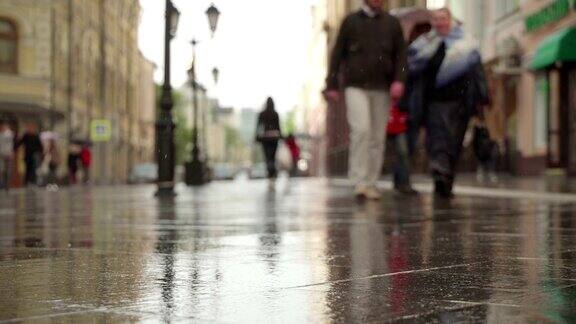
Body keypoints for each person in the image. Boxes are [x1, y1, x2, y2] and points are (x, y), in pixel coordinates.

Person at [324, 0, 407, 200]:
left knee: (377, 136)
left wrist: (399, 80)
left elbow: (401, 56)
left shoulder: (392, 23)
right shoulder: (350, 21)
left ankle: (371, 182)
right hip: (356, 86)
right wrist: (332, 84)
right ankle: (359, 181)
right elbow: (337, 54)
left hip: (382, 87)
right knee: (361, 130)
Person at [406, 8, 490, 198]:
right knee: (437, 138)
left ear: (450, 20)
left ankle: (446, 178)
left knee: (454, 141)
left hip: (461, 102)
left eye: (443, 18)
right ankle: (439, 170)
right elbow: (411, 68)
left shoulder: (467, 43)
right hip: (434, 101)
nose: (439, 22)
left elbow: (478, 72)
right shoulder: (425, 43)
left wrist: (482, 97)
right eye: (436, 19)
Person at [387, 103, 418, 195]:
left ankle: (401, 181)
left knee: (406, 151)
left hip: (410, 116)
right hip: (397, 116)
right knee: (403, 151)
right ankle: (403, 182)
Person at [255, 97, 282, 188]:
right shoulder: (275, 114)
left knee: (267, 157)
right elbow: (278, 127)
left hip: (265, 138)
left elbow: (258, 126)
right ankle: (272, 174)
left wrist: (257, 136)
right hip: (274, 138)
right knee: (273, 157)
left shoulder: (262, 114)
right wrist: (280, 136)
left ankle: (270, 174)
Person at [472, 118, 499, 183]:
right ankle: (481, 172)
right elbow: (475, 137)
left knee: (492, 156)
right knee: (481, 158)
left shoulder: (491, 125)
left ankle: (491, 173)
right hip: (480, 143)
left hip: (490, 142)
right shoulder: (477, 126)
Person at [0, 120, 14, 190]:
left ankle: (7, 186)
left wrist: (11, 153)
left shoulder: (9, 134)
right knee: (1, 170)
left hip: (8, 154)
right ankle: (2, 184)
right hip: (1, 155)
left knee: (8, 171)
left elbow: (10, 145)